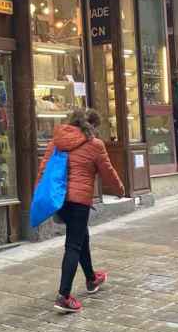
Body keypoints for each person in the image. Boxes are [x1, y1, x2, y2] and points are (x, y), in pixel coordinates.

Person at [37, 108, 125, 313]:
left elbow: (43, 169)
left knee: (80, 236)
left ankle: (91, 279)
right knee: (73, 245)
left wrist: (40, 194)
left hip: (60, 199)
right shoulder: (95, 145)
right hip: (79, 201)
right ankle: (64, 296)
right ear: (92, 126)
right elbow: (107, 171)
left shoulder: (56, 142)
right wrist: (120, 189)